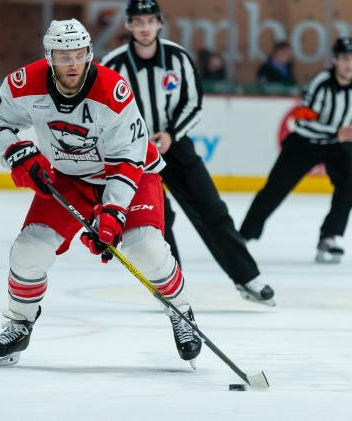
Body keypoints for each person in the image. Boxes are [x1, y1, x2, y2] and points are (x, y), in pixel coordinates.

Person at [0, 19, 201, 367]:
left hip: (130, 174)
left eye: (79, 55)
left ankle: (182, 314)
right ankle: (19, 324)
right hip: (68, 177)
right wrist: (16, 153)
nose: (72, 64)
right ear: (50, 56)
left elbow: (128, 160)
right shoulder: (24, 83)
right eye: (63, 56)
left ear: (89, 54)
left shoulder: (112, 91)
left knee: (144, 246)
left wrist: (112, 214)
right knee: (28, 249)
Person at [102, 0, 274, 306]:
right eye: (138, 22)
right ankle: (169, 283)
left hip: (175, 146)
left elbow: (193, 102)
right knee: (158, 219)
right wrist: (137, 140)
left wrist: (171, 135)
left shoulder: (178, 58)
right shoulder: (114, 65)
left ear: (159, 23)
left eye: (149, 21)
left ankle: (247, 277)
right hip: (135, 152)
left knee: (212, 210)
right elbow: (105, 111)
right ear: (128, 26)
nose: (144, 27)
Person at [240, 37, 352, 264]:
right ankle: (242, 237)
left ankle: (329, 236)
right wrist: (336, 132)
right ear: (334, 60)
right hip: (305, 143)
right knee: (275, 189)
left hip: (340, 144)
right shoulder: (321, 83)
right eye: (344, 58)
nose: (349, 64)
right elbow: (303, 121)